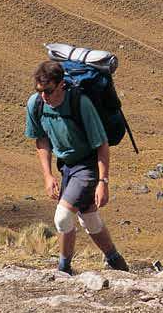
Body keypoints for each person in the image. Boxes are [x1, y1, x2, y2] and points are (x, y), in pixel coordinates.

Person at [25, 60, 128, 274]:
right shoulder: (36, 104)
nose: (44, 96)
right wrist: (48, 175)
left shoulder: (81, 104)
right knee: (89, 219)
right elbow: (41, 140)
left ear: (61, 84)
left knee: (62, 217)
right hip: (66, 167)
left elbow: (101, 144)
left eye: (49, 91)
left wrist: (103, 182)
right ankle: (118, 264)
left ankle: (64, 269)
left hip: (87, 166)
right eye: (40, 91)